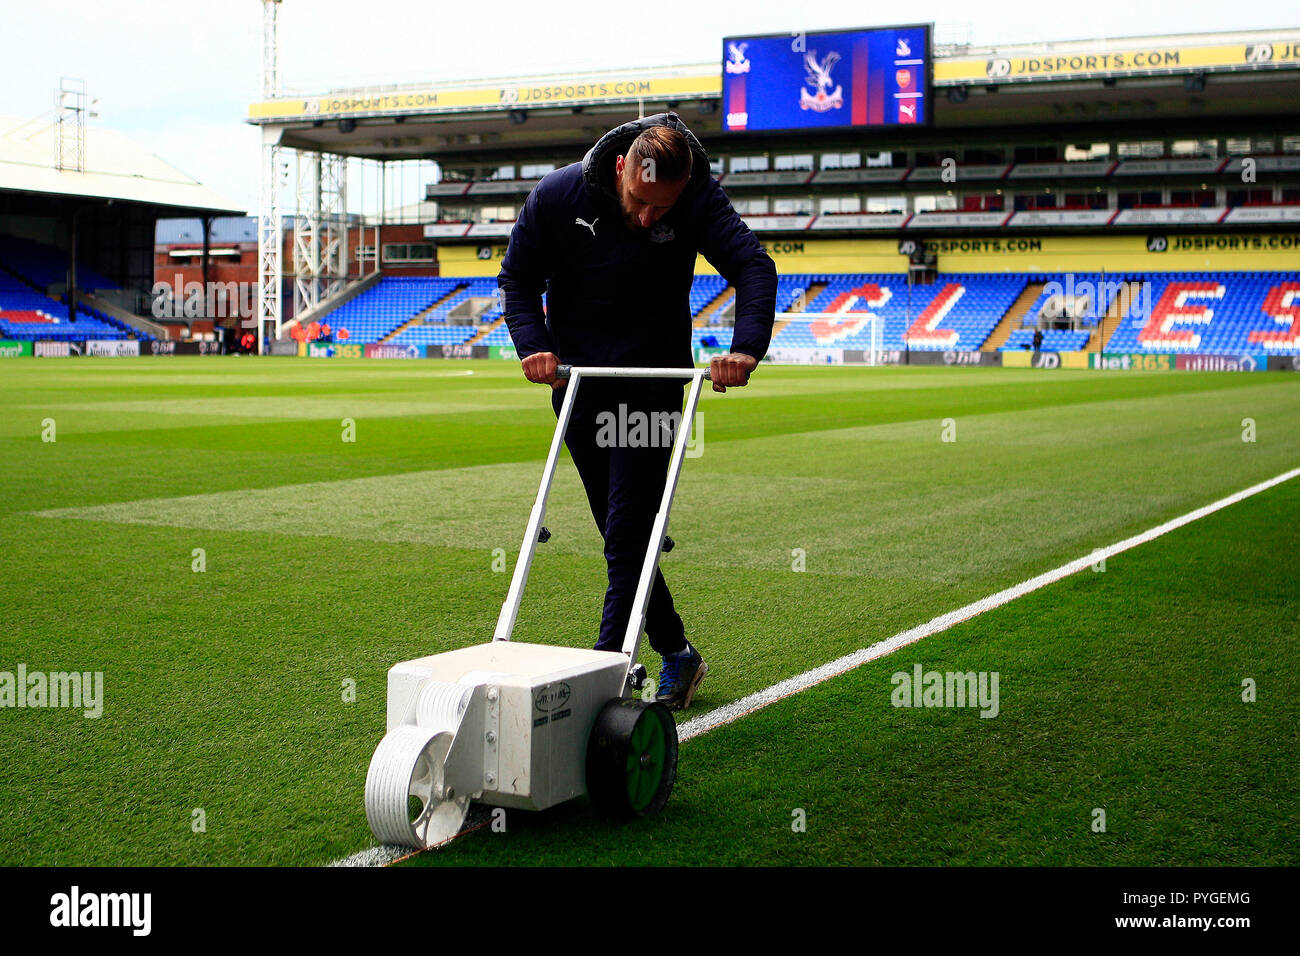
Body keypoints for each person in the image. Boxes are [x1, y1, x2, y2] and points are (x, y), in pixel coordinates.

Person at [498, 111, 776, 711]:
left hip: (652, 386)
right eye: (640, 201)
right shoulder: (559, 194)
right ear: (621, 166)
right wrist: (534, 346)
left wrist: (745, 348)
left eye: (663, 209)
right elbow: (517, 280)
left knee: (627, 535)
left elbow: (753, 266)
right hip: (577, 385)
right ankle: (676, 651)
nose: (649, 217)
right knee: (625, 532)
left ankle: (603, 681)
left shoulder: (696, 194)